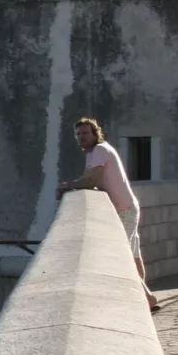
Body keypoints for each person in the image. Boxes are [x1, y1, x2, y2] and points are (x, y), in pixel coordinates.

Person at [57, 117, 158, 313]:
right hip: (128, 206)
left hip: (123, 210)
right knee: (134, 254)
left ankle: (147, 298)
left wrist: (65, 185)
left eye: (85, 133)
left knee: (124, 256)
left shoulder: (100, 150)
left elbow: (91, 181)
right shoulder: (95, 153)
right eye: (78, 134)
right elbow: (89, 178)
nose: (81, 137)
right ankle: (143, 295)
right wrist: (70, 184)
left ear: (95, 133)